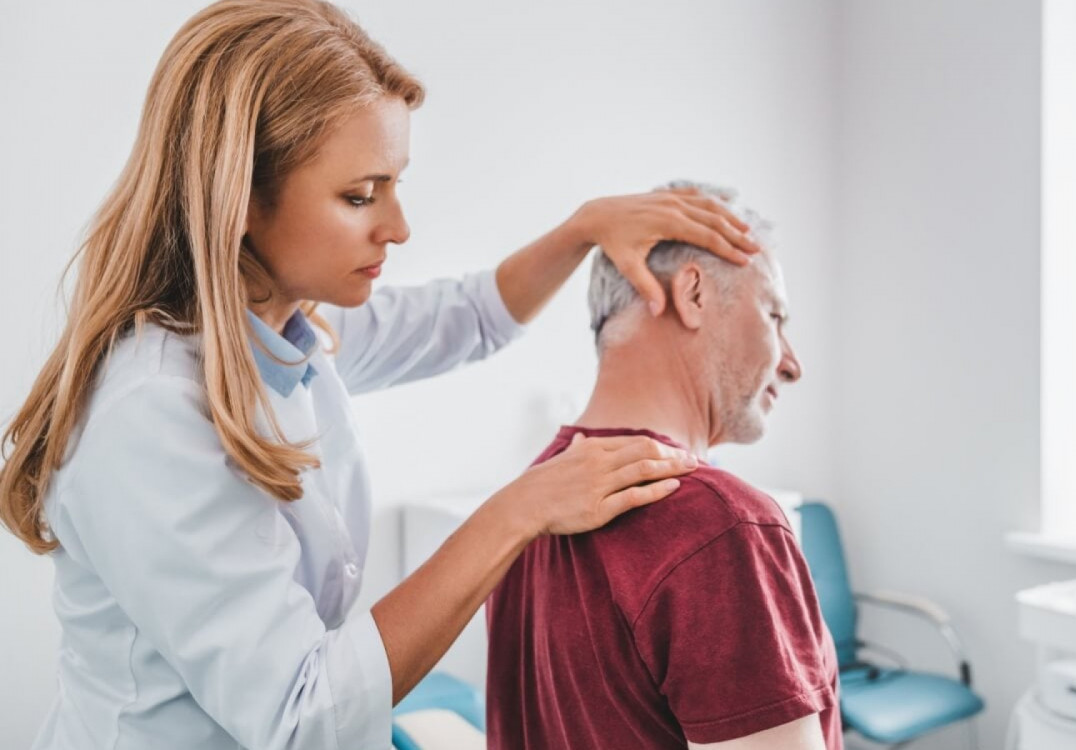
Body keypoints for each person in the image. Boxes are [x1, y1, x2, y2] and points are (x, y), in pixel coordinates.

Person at [0, 3, 763, 748]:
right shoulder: (151, 410)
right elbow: (303, 718)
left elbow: (464, 318)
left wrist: (581, 229)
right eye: (360, 196)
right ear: (239, 198)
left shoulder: (289, 328)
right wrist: (515, 513)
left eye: (396, 185)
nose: (398, 227)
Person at [486, 182, 843, 749]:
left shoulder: (529, 496)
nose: (791, 363)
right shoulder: (724, 528)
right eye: (774, 314)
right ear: (694, 294)